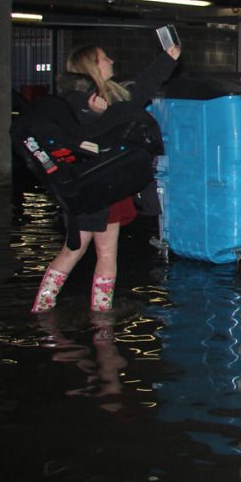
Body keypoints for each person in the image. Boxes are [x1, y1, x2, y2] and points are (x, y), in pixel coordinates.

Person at [31, 42, 180, 312]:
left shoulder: (108, 94)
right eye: (104, 58)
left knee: (76, 250)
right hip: (96, 189)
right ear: (92, 66)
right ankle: (95, 313)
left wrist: (168, 58)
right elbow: (80, 136)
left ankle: (47, 306)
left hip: (97, 189)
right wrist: (97, 115)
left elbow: (141, 89)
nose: (111, 60)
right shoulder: (80, 101)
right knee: (93, 252)